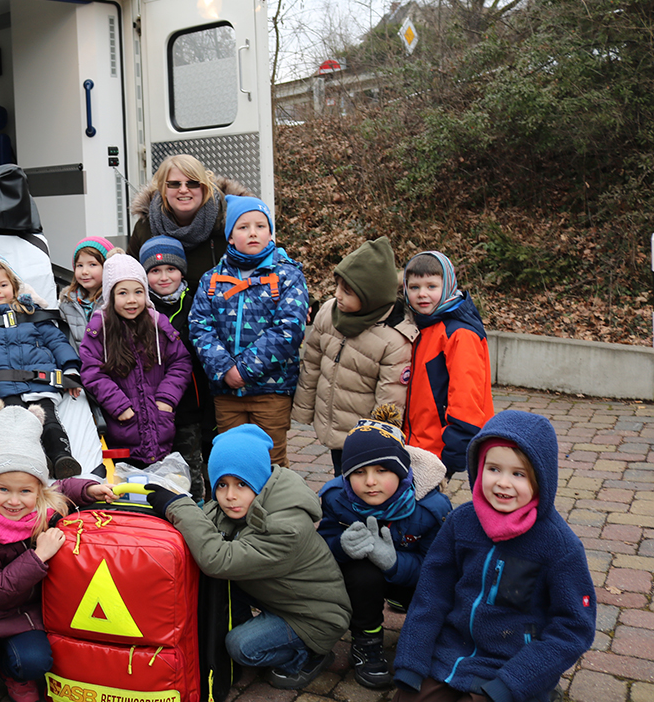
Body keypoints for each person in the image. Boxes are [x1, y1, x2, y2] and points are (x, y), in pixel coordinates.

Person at [392, 411, 596, 702]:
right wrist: (412, 662)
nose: (503, 483)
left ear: (542, 479)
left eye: (518, 474)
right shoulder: (460, 523)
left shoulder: (559, 546)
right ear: (478, 467)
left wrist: (516, 681)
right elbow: (431, 595)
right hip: (451, 655)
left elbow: (573, 628)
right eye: (493, 469)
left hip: (512, 667)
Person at [144, 426, 351, 691]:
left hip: (314, 617)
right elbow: (203, 528)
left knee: (241, 647)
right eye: (222, 484)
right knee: (216, 588)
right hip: (281, 597)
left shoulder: (287, 526)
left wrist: (177, 505)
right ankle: (254, 629)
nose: (230, 496)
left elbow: (217, 559)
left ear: (260, 481)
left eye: (241, 483)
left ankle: (308, 655)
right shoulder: (238, 505)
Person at [0, 400, 114, 702]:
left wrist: (89, 489)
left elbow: (63, 488)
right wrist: (38, 556)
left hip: (22, 614)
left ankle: (13, 673)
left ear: (38, 491)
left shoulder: (41, 507)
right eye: (3, 490)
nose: (14, 501)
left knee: (37, 662)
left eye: (25, 491)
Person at [317, 406, 451, 690]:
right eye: (359, 472)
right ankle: (366, 642)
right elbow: (323, 548)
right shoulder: (336, 499)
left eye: (382, 470)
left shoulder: (429, 509)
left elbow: (436, 568)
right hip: (364, 582)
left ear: (402, 472)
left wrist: (393, 561)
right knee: (362, 574)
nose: (370, 481)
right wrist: (340, 547)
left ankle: (421, 635)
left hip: (411, 578)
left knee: (435, 591)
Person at [188, 196, 308, 467]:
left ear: (270, 233)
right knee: (232, 460)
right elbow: (199, 327)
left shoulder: (288, 276)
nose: (253, 232)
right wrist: (225, 370)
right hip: (226, 393)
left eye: (260, 226)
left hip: (271, 392)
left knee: (271, 461)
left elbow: (289, 329)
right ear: (230, 237)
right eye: (243, 227)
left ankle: (276, 510)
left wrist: (244, 371)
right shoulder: (211, 279)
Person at [0, 254, 84, 479]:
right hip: (1, 385)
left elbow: (57, 340)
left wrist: (70, 369)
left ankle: (61, 457)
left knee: (48, 418)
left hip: (41, 378)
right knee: (17, 423)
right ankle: (32, 463)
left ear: (14, 286)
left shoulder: (31, 313)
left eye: (3, 285)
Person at [292, 237, 417, 475]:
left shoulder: (393, 338)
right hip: (332, 422)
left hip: (364, 437)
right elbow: (312, 364)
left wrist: (378, 441)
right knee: (341, 477)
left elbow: (390, 399)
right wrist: (304, 410)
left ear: (371, 295)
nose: (337, 295)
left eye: (347, 291)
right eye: (337, 286)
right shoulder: (329, 312)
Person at [79, 253, 193, 474]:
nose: (132, 300)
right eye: (123, 293)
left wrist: (166, 399)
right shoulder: (99, 329)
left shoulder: (158, 324)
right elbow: (91, 371)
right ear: (110, 295)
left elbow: (180, 362)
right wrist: (119, 405)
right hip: (122, 429)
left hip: (160, 425)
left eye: (138, 292)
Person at [402, 250, 494, 477]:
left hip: (438, 450)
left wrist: (453, 453)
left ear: (448, 286)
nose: (422, 294)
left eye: (431, 286)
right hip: (414, 443)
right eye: (414, 287)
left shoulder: (459, 334)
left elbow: (466, 400)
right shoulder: (421, 325)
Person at [140, 235, 215, 498]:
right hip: (153, 405)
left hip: (191, 406)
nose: (164, 277)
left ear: (181, 271)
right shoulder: (140, 308)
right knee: (159, 465)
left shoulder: (196, 303)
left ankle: (197, 508)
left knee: (191, 463)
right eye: (155, 271)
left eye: (171, 269)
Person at [127, 154, 252, 288]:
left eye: (192, 183)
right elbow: (129, 276)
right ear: (163, 189)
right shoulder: (147, 226)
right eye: (174, 184)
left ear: (204, 187)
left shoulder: (229, 223)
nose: (183, 190)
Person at [57, 236, 113, 350]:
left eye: (92, 264)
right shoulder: (67, 302)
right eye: (80, 265)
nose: (84, 271)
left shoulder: (113, 300)